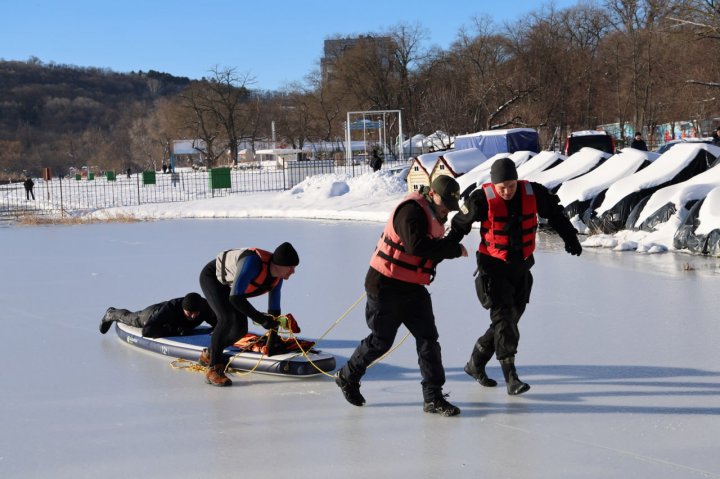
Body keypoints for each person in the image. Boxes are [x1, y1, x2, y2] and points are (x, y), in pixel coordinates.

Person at [334, 175, 468, 417]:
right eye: (445, 203)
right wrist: (453, 250)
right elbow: (416, 248)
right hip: (384, 285)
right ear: (433, 194)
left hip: (412, 288)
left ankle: (433, 397)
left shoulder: (434, 214)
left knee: (428, 339)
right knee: (381, 341)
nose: (447, 210)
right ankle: (347, 375)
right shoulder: (410, 211)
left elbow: (429, 253)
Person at [451, 158, 582, 396]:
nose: (507, 191)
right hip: (492, 266)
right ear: (494, 184)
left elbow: (555, 213)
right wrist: (446, 249)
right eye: (502, 187)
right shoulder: (481, 199)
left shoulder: (533, 192)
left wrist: (570, 237)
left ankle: (475, 362)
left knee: (510, 319)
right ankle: (511, 377)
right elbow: (459, 225)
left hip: (520, 267)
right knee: (504, 318)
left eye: (511, 185)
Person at [199, 242, 301, 387]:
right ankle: (213, 369)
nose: (293, 271)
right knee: (227, 320)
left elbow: (274, 311)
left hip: (232, 287)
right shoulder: (252, 262)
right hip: (213, 279)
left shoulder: (277, 278)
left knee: (240, 330)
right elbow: (235, 298)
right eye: (290, 267)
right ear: (278, 264)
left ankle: (209, 354)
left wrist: (272, 340)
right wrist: (260, 319)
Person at [99, 292, 217, 338]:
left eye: (195, 313)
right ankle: (112, 313)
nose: (192, 317)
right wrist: (175, 330)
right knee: (132, 318)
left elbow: (216, 322)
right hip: (150, 315)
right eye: (189, 313)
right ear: (182, 309)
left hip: (165, 315)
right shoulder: (170, 310)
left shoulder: (204, 307)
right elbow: (147, 331)